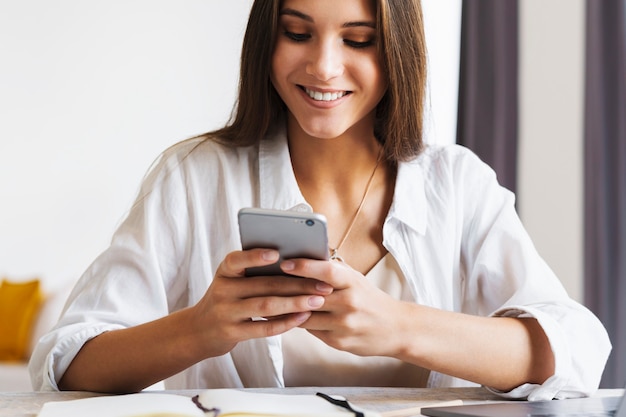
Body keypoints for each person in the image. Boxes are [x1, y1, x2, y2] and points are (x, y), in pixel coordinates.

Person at [29, 0, 610, 400]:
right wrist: (203, 329)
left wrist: (400, 326)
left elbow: (577, 353)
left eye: (359, 40)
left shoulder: (456, 184)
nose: (324, 66)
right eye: (297, 32)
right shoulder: (194, 176)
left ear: (398, 52)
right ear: (268, 38)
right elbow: (65, 364)